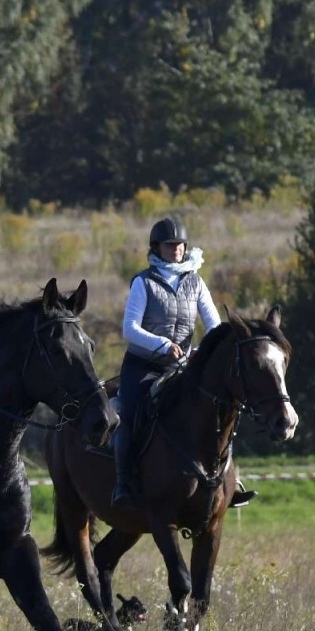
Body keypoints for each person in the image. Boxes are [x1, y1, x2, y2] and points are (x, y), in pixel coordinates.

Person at [114, 218, 251, 509]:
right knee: (132, 412)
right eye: (169, 245)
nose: (176, 249)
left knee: (218, 411)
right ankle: (123, 483)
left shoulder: (195, 281)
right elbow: (130, 328)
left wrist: (206, 350)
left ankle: (229, 481)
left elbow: (214, 325)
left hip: (183, 367)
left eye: (179, 245)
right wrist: (162, 344)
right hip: (144, 366)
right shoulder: (144, 282)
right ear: (157, 248)